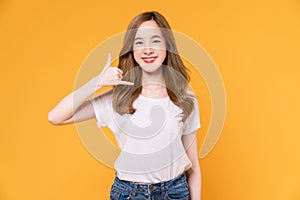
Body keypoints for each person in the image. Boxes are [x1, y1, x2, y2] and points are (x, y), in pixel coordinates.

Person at [48, 11, 202, 200]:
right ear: (131, 50)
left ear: (167, 46)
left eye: (155, 41)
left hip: (175, 192)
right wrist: (97, 82)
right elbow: (55, 117)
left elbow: (193, 166)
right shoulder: (118, 98)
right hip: (130, 194)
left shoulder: (184, 98)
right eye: (139, 42)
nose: (147, 49)